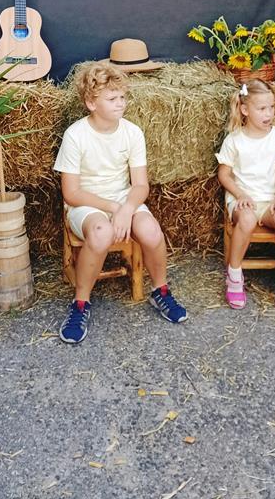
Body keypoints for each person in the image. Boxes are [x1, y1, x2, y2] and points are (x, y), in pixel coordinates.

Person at [54, 62, 187, 343]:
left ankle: (160, 291)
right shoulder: (76, 135)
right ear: (91, 103)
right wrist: (115, 209)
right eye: (112, 98)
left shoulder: (132, 132)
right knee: (101, 233)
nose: (120, 103)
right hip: (86, 204)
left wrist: (126, 208)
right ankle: (80, 304)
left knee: (151, 231)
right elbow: (71, 193)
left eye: (123, 97)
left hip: (122, 199)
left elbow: (140, 186)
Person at [216, 79, 275, 310]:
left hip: (271, 200)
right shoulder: (234, 140)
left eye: (271, 107)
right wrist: (240, 195)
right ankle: (234, 275)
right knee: (247, 219)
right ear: (245, 110)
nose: (269, 114)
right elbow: (224, 175)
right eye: (262, 108)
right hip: (243, 200)